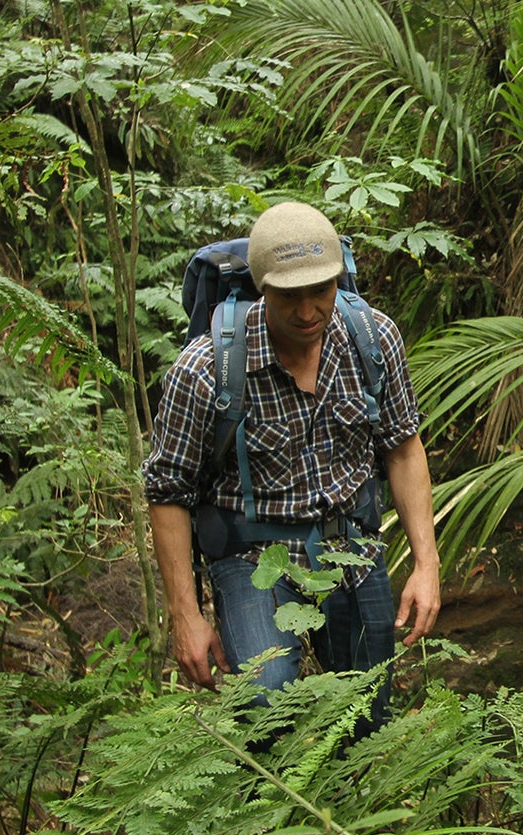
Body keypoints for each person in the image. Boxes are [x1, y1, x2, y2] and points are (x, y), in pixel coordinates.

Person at [141, 202, 440, 734]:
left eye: (320, 291)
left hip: (350, 543)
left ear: (338, 279)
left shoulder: (372, 340)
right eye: (288, 296)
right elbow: (169, 491)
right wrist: (186, 616)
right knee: (267, 706)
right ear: (262, 288)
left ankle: (350, 807)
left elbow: (402, 447)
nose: (307, 311)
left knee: (367, 713)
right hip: (251, 553)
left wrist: (426, 563)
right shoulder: (207, 370)